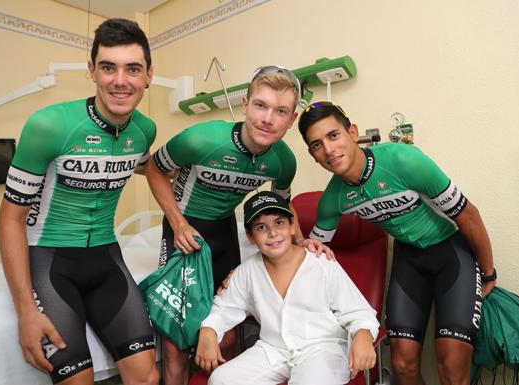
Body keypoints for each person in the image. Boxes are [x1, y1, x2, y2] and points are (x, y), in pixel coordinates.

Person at [145, 65, 331, 385]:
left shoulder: (283, 161)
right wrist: (176, 223)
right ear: (245, 105)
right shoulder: (200, 139)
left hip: (224, 233)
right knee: (176, 343)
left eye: (280, 111)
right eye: (260, 105)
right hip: (184, 230)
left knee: (227, 337)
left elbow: (282, 205)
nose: (267, 118)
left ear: (290, 120)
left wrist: (301, 241)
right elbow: (153, 168)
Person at [0, 18, 159, 385]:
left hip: (106, 256)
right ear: (92, 71)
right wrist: (25, 310)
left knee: (147, 379)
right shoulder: (48, 126)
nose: (121, 81)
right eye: (108, 67)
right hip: (51, 260)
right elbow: (9, 220)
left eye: (132, 69)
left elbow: (146, 166)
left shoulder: (144, 131)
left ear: (149, 74)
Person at [297, 101, 497, 385]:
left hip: (451, 252)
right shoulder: (333, 199)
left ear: (352, 133)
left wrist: (488, 273)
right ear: (313, 155)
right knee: (402, 364)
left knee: (451, 363)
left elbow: (469, 215)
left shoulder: (403, 160)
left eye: (333, 135)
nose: (328, 150)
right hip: (409, 259)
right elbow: (312, 253)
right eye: (317, 145)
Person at [195, 191, 379, 385]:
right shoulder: (247, 270)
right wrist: (208, 330)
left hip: (324, 349)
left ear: (292, 226)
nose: (272, 233)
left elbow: (358, 311)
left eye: (279, 223)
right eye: (261, 227)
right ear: (250, 237)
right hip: (274, 350)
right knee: (221, 380)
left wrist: (363, 334)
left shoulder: (321, 262)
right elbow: (223, 309)